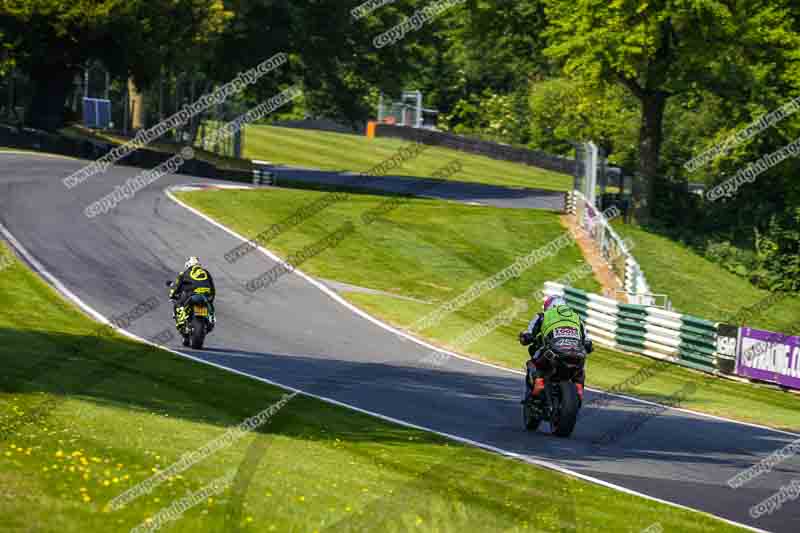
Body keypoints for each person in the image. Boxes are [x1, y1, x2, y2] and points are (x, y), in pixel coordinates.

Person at [519, 295, 592, 405]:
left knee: (532, 363)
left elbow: (529, 334)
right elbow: (587, 342)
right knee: (580, 368)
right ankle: (579, 388)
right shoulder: (577, 317)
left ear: (548, 306)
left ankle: (538, 382)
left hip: (552, 352)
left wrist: (524, 337)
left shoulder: (542, 316)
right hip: (577, 353)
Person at [169, 257, 216, 327]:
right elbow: (212, 287)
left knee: (178, 302)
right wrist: (211, 298)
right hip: (206, 294)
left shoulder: (184, 273)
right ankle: (211, 317)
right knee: (209, 303)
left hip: (192, 293)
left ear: (188, 265)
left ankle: (181, 318)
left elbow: (177, 286)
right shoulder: (206, 272)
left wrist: (172, 294)